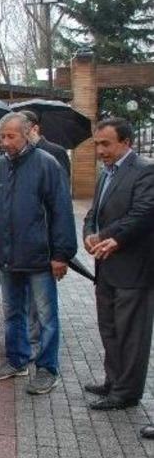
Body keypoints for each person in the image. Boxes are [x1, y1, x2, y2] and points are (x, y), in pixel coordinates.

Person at [0, 112, 76, 395]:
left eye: (11, 136)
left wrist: (61, 254)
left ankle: (47, 369)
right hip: (7, 256)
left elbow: (62, 211)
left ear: (27, 134)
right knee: (13, 313)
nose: (5, 142)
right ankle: (17, 360)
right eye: (2, 136)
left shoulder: (47, 164)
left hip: (39, 257)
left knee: (47, 317)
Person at [79, 118, 154, 413]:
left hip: (134, 270)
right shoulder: (105, 174)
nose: (100, 150)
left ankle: (127, 392)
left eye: (106, 144)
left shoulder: (144, 171)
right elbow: (94, 214)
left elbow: (143, 213)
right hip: (106, 267)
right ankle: (113, 380)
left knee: (131, 334)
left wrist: (106, 235)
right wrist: (87, 234)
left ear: (126, 143)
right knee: (109, 328)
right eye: (97, 143)